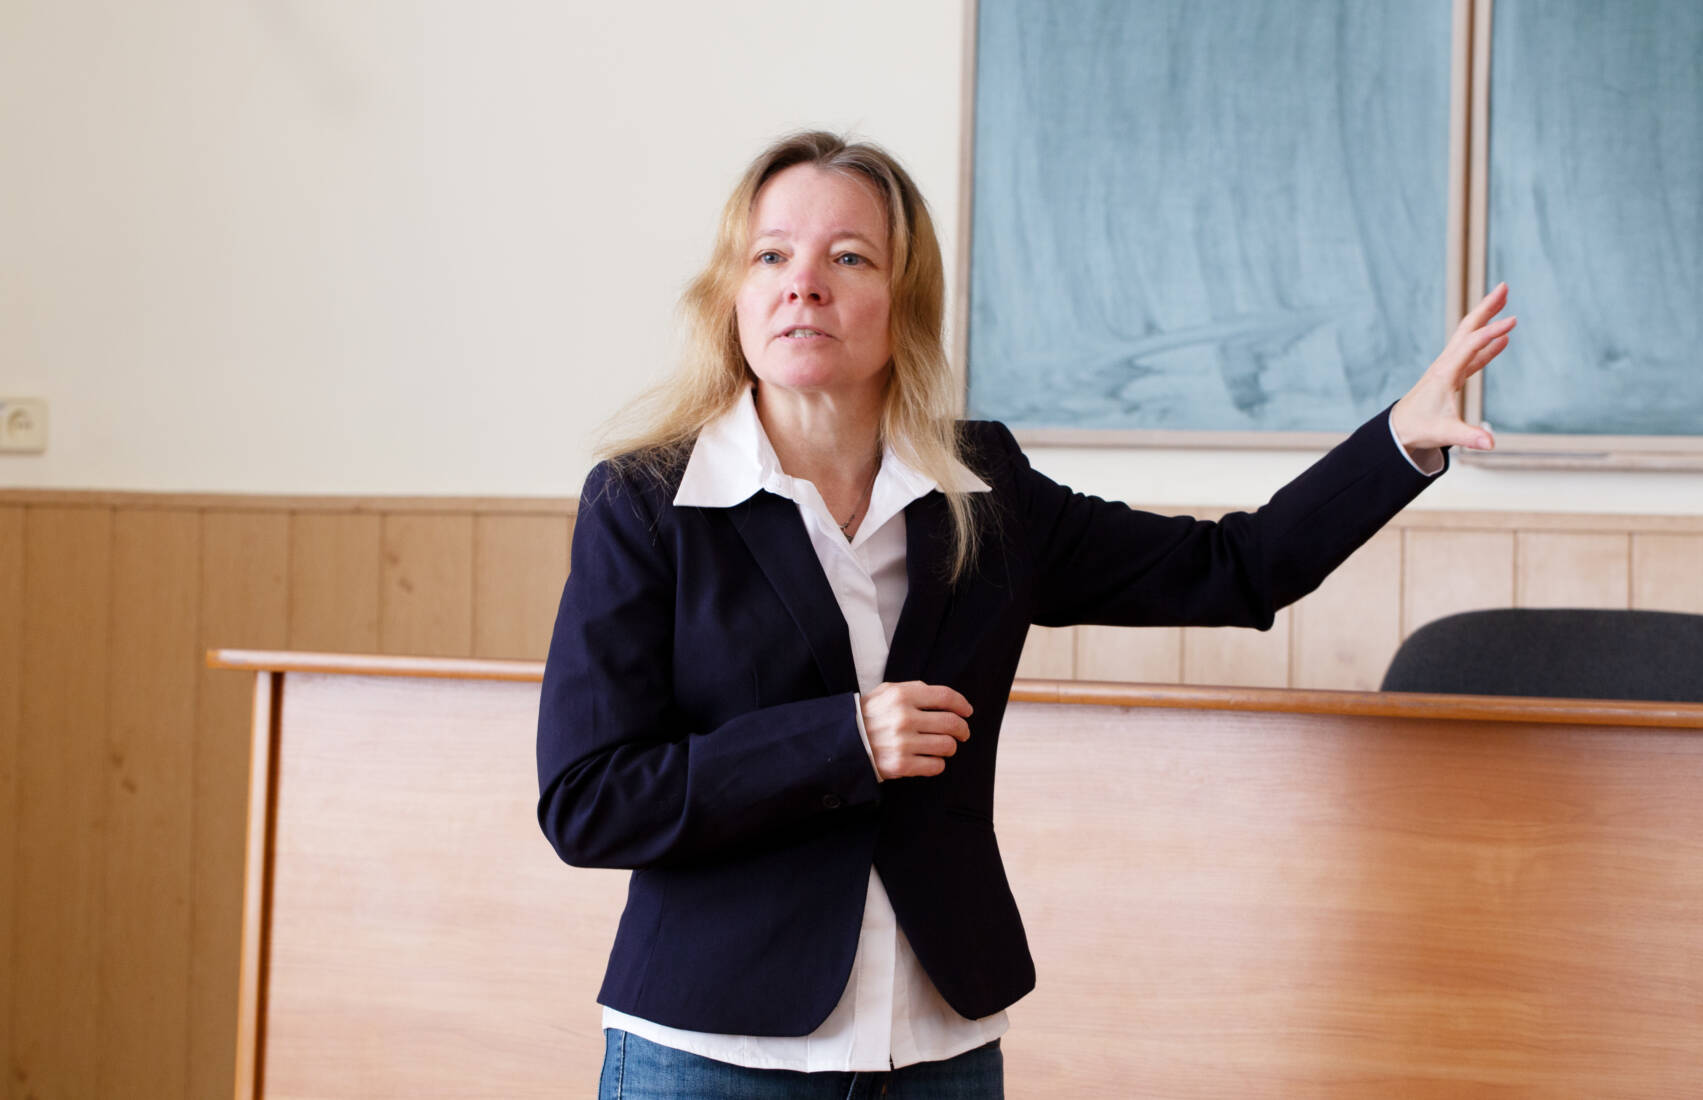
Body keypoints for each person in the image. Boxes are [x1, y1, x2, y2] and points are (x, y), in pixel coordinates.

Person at [536, 131, 1514, 1099]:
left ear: (904, 301)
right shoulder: (643, 501)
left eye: (849, 257)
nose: (803, 285)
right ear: (732, 295)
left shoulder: (984, 486)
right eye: (770, 256)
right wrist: (842, 741)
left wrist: (1400, 441)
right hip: (709, 1055)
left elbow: (1233, 569)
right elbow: (587, 799)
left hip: (938, 1048)